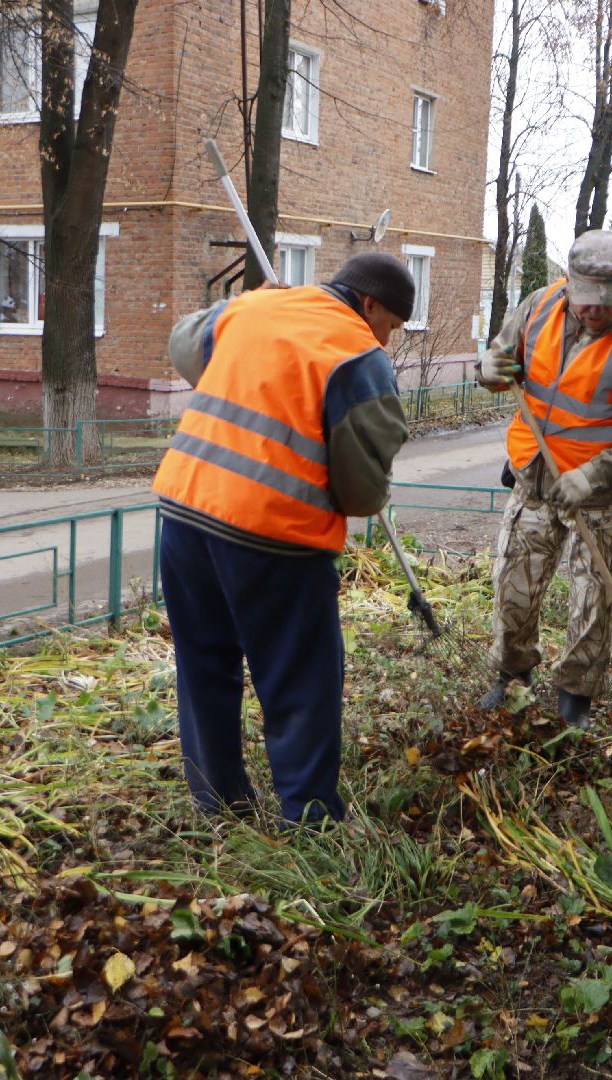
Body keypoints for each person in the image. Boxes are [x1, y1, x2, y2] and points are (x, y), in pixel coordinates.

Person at [152, 252, 412, 824]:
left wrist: (243, 308)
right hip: (274, 535)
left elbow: (183, 344)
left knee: (205, 663)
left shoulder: (259, 307)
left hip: (184, 512)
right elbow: (364, 492)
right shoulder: (359, 356)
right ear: (369, 305)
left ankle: (218, 802)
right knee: (300, 679)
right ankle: (311, 818)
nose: (388, 340)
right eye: (390, 325)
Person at [477, 230, 612, 729]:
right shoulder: (539, 306)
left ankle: (575, 697)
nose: (593, 311)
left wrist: (594, 475)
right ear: (569, 283)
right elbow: (500, 360)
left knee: (594, 601)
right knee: (512, 589)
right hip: (534, 479)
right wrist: (488, 369)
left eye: (604, 304)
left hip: (600, 495)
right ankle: (512, 674)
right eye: (585, 300)